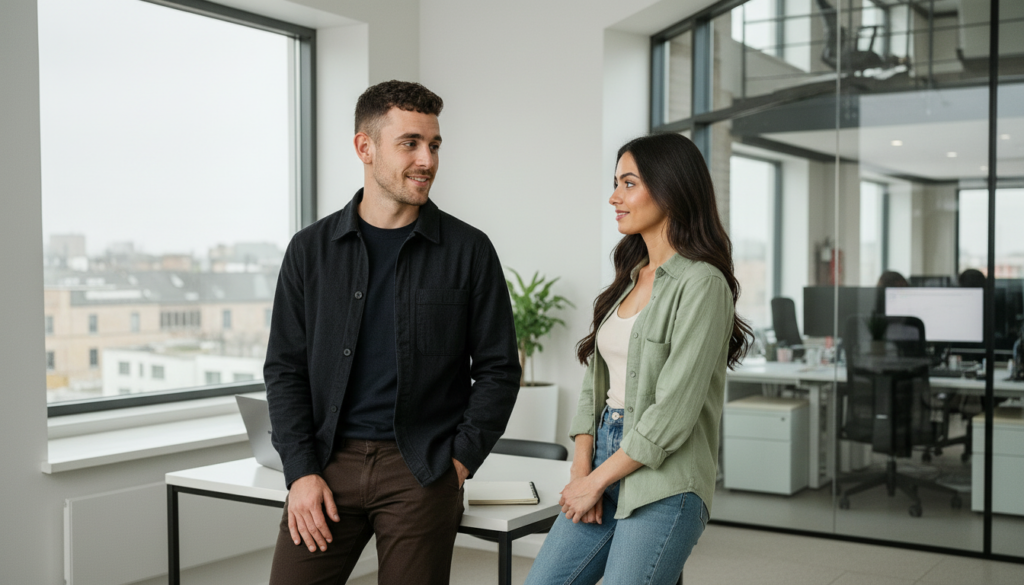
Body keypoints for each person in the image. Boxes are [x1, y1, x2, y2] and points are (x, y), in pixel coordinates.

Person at [263, 80, 521, 585]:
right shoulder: (309, 250)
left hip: (420, 470)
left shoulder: (469, 251)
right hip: (326, 464)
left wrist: (459, 462)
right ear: (365, 147)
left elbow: (499, 369)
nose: (427, 160)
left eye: (434, 145)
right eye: (410, 143)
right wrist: (301, 472)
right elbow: (284, 369)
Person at [525, 133, 752, 585]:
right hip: (604, 457)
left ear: (671, 188)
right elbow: (595, 385)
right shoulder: (629, 279)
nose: (614, 197)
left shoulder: (703, 284)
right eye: (615, 183)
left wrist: (596, 481)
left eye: (628, 183)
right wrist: (582, 469)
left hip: (665, 478)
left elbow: (673, 412)